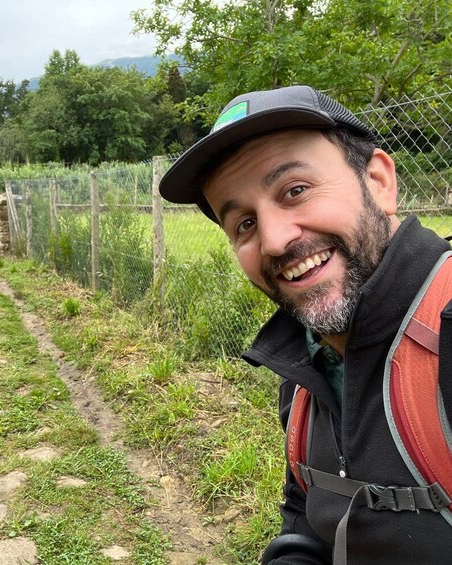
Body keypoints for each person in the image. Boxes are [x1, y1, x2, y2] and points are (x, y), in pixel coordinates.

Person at [159, 85, 452, 564]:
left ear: (379, 182)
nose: (274, 240)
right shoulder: (305, 360)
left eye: (295, 191)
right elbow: (309, 510)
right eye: (244, 225)